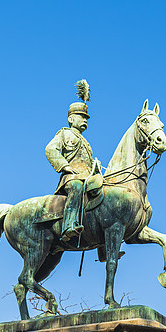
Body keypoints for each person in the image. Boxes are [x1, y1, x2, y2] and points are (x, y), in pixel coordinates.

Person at [45, 97, 99, 243]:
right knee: (77, 187)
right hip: (72, 178)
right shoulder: (64, 134)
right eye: (81, 117)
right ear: (71, 118)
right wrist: (65, 166)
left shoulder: (86, 143)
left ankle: (103, 246)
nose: (85, 120)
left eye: (86, 117)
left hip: (88, 179)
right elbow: (51, 149)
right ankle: (68, 225)